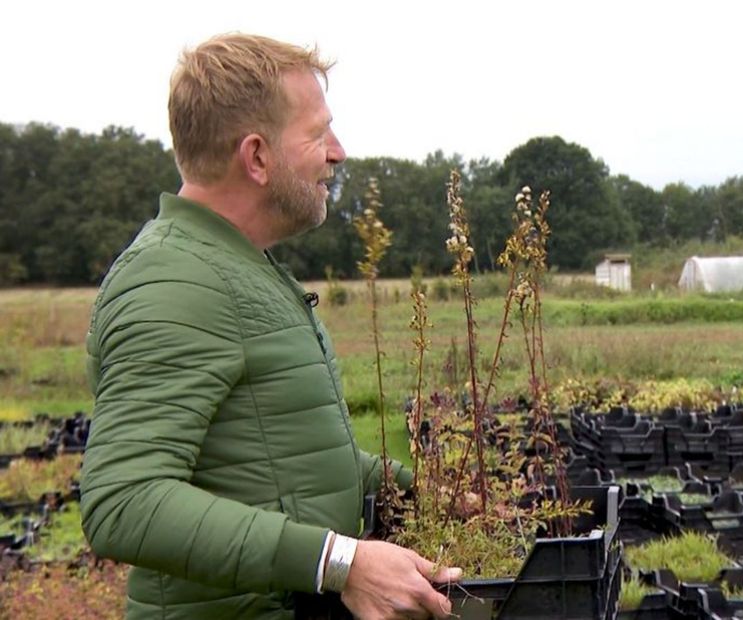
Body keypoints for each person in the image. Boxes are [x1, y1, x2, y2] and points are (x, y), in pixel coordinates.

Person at [80, 33, 459, 620]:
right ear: (256, 156)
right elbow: (124, 502)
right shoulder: (172, 281)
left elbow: (282, 456)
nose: (338, 152)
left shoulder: (236, 265)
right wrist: (341, 563)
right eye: (318, 134)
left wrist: (424, 492)